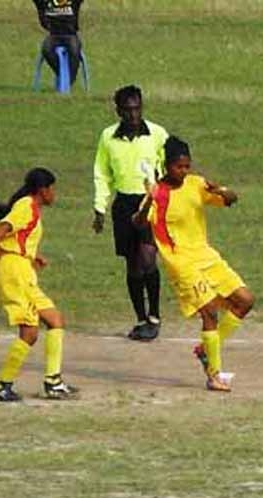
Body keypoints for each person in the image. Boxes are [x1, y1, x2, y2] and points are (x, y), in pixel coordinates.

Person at [134, 137, 255, 392]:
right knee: (210, 310)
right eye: (179, 167)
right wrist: (148, 200)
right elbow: (139, 223)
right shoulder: (158, 193)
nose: (184, 171)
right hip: (181, 262)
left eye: (187, 166)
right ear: (167, 166)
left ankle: (205, 349)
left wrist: (220, 189)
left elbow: (232, 200)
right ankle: (214, 375)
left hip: (206, 256)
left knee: (245, 300)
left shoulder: (196, 183)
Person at [0, 168, 78, 402]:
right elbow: (4, 227)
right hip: (15, 274)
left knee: (55, 320)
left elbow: (16, 239)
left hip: (23, 269)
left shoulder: (30, 208)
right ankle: (3, 385)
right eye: (53, 189)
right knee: (30, 333)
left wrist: (34, 255)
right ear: (43, 190)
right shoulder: (26, 205)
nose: (54, 194)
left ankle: (53, 381)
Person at [93, 85, 169, 341]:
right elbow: (102, 173)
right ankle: (140, 318)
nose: (133, 116)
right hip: (124, 203)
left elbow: (170, 166)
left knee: (148, 258)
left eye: (137, 109)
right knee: (133, 264)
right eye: (127, 111)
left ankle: (155, 316)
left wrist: (166, 196)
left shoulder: (157, 134)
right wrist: (99, 208)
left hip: (149, 202)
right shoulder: (108, 138)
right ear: (118, 111)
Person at [32, 0, 83, 84]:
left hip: (71, 34)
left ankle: (70, 78)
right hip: (53, 34)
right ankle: (63, 73)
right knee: (46, 49)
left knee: (74, 51)